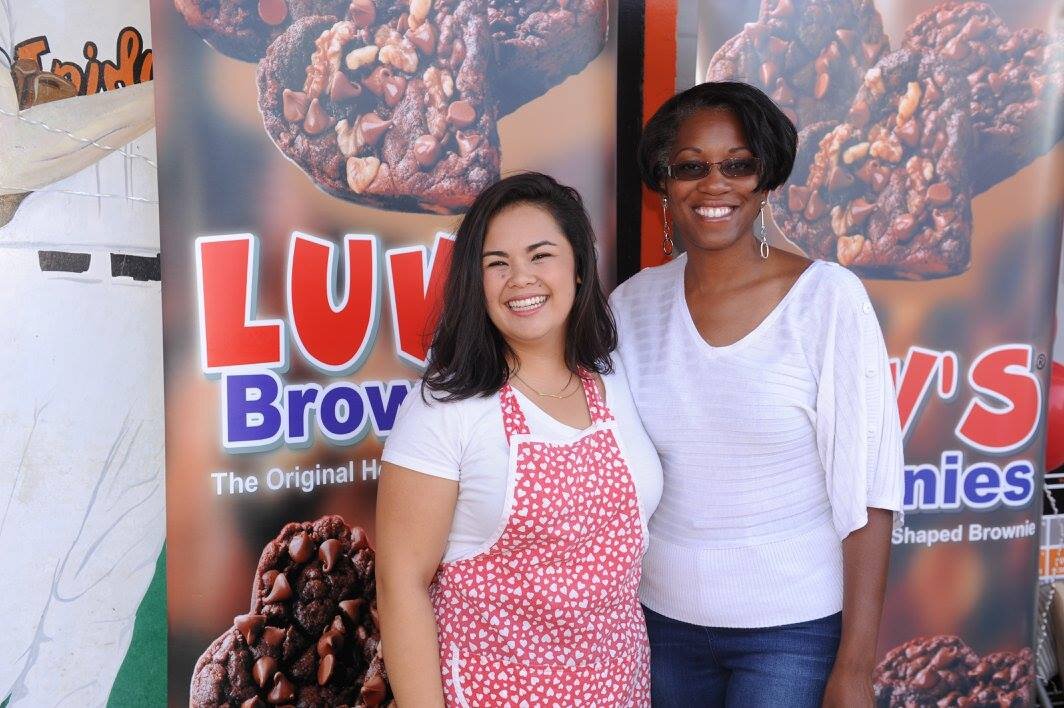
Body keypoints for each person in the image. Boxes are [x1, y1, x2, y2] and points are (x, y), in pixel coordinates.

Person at [610, 81, 904, 708]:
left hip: (793, 635)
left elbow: (870, 493)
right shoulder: (630, 307)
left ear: (765, 178)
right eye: (690, 166)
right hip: (660, 625)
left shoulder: (829, 300)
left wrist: (854, 669)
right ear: (664, 182)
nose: (714, 184)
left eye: (737, 164)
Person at [376, 172, 662, 707]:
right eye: (497, 263)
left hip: (616, 690)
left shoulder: (616, 379)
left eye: (541, 255)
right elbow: (400, 585)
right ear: (474, 282)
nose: (519, 279)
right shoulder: (445, 407)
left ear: (578, 267)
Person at [0, 4, 162, 705]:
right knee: (12, 595)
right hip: (41, 300)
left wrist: (68, 126)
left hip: (166, 314)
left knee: (97, 624)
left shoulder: (190, 15)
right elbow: (7, 158)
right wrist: (166, 98)